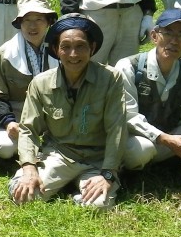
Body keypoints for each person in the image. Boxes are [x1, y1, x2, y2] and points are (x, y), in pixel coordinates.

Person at [10, 14, 128, 208]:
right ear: (56, 50)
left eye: (80, 46)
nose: (73, 54)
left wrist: (108, 173)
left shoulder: (110, 78)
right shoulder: (41, 83)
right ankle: (46, 181)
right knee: (25, 197)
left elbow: (117, 128)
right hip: (58, 155)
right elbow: (28, 129)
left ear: (92, 48)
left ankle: (80, 190)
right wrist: (29, 168)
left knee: (98, 205)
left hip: (96, 159)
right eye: (66, 47)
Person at [114, 8, 181, 171]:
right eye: (168, 33)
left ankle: (163, 162)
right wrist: (165, 139)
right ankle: (162, 163)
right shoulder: (128, 66)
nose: (174, 41)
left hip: (171, 134)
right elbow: (128, 116)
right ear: (154, 36)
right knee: (141, 151)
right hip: (137, 138)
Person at [0, 0, 58, 161]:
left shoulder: (61, 50)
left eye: (39, 19)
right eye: (27, 20)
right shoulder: (5, 54)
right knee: (4, 148)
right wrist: (8, 122)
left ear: (48, 22)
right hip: (15, 113)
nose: (32, 26)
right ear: (20, 23)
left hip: (52, 113)